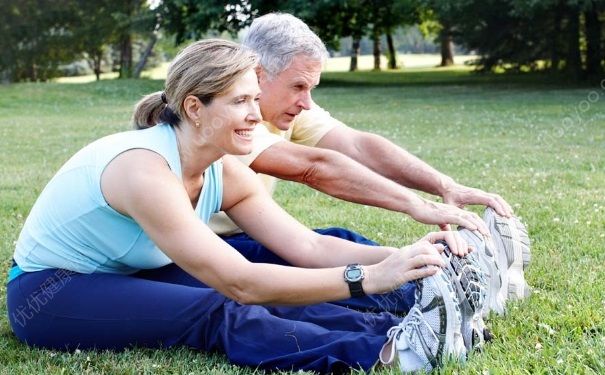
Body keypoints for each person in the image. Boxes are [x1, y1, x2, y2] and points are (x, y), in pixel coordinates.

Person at [7, 39, 479, 373]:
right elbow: (244, 283)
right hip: (52, 293)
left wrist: (418, 258)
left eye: (256, 98)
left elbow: (309, 247)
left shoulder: (224, 167)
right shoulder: (143, 169)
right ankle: (390, 352)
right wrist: (369, 277)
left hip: (126, 273)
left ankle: (406, 327)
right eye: (240, 102)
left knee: (281, 280)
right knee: (217, 308)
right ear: (195, 107)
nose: (256, 114)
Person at [208, 12, 529, 317]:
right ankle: (448, 294)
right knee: (303, 272)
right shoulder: (225, 113)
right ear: (258, 74)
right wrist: (415, 205)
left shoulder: (285, 107)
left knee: (341, 239)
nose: (306, 102)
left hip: (250, 232)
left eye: (310, 89)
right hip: (207, 248)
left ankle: (460, 280)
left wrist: (444, 186)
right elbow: (313, 168)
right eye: (298, 87)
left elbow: (357, 145)